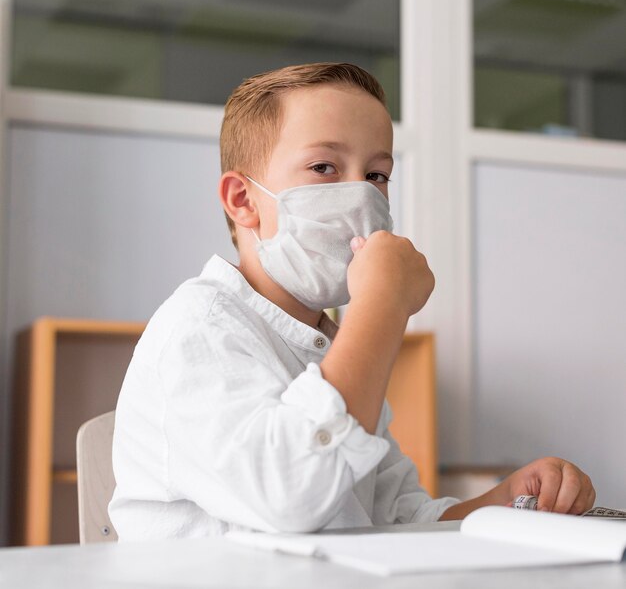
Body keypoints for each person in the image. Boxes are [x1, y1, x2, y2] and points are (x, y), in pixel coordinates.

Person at [108, 63, 595, 541]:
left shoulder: (334, 350)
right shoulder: (199, 327)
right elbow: (292, 494)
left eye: (378, 175)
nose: (361, 196)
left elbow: (394, 521)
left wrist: (503, 502)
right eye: (324, 167)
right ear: (243, 200)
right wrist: (381, 304)